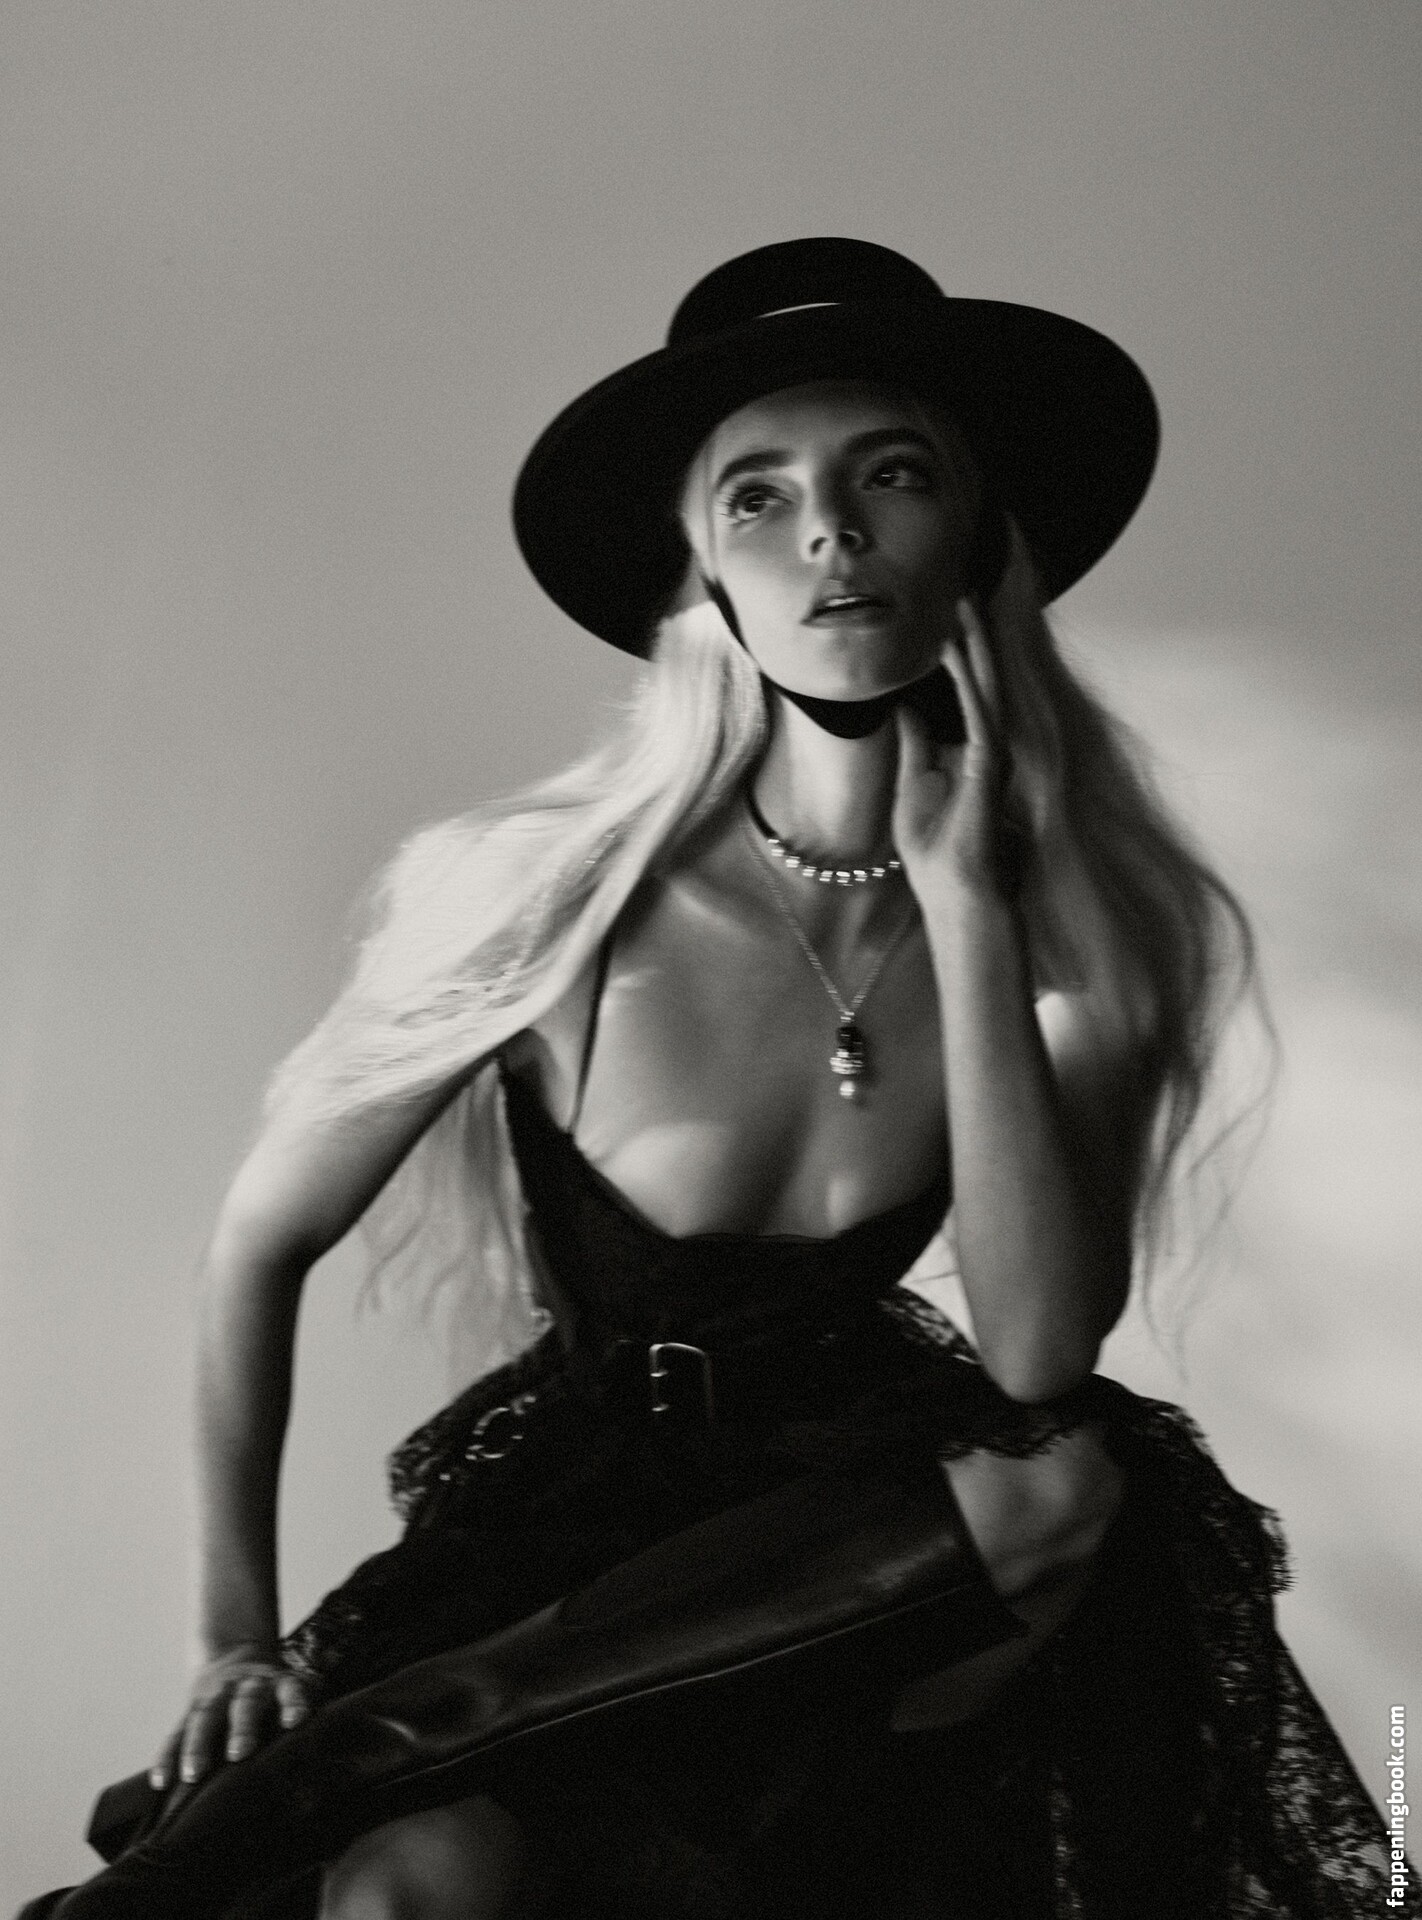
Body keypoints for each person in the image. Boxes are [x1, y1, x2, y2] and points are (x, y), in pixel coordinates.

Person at [21, 238, 1414, 1920]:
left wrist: (970, 913)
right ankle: (348, 1769)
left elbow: (1040, 1352)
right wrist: (231, 1636)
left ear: (976, 535)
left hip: (858, 1566)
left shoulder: (1088, 944)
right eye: (759, 497)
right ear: (700, 577)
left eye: (890, 475)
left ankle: (346, 1766)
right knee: (404, 1894)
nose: (829, 533)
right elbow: (257, 1243)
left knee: (1066, 1482)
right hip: (563, 1566)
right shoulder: (544, 897)